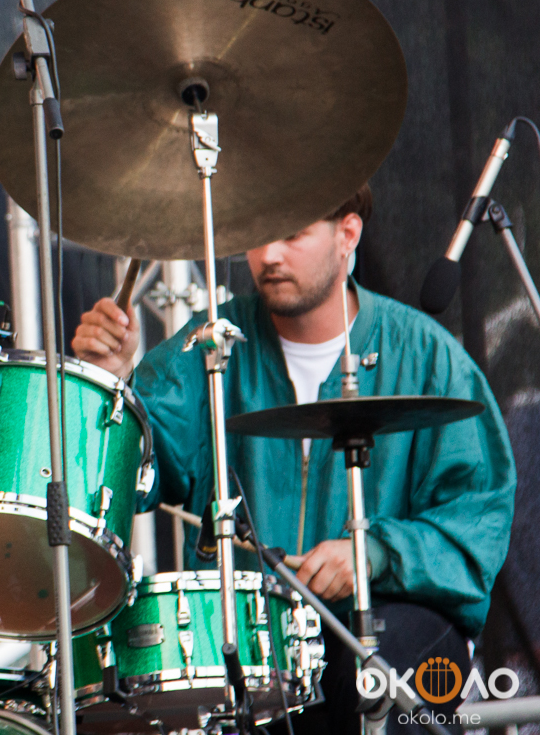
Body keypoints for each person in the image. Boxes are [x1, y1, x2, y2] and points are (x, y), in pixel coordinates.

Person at [73, 185, 516, 734]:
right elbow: (126, 482)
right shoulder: (205, 349)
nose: (270, 255)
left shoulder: (427, 356)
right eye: (258, 238)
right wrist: (109, 387)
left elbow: (477, 519)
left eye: (292, 235)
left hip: (393, 620)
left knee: (373, 674)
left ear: (347, 235)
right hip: (246, 637)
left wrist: (375, 553)